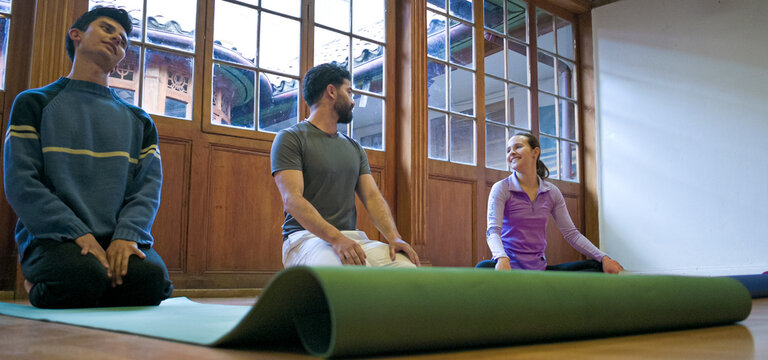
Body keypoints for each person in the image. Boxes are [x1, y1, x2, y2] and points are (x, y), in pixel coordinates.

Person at [3, 7, 173, 308]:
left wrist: (127, 236)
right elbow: (21, 182)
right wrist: (77, 233)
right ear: (76, 36)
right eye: (107, 29)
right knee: (82, 277)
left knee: (152, 281)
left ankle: (99, 278)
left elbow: (147, 189)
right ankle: (36, 285)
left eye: (122, 40)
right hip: (53, 236)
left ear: (122, 57)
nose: (116, 39)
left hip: (116, 237)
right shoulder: (34, 103)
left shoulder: (140, 120)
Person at [271, 63, 420, 268]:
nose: (353, 101)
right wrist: (335, 238)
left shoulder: (354, 148)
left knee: (406, 269)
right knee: (349, 272)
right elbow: (292, 200)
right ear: (331, 91)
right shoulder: (290, 138)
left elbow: (372, 197)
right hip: (303, 239)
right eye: (349, 91)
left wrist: (394, 237)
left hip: (352, 238)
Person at [479, 133, 624, 273]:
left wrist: (604, 257)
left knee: (596, 266)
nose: (511, 153)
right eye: (508, 150)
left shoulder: (551, 192)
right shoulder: (502, 188)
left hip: (539, 270)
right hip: (508, 268)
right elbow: (493, 231)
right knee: (483, 268)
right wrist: (502, 258)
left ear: (535, 152)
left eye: (518, 147)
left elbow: (571, 234)